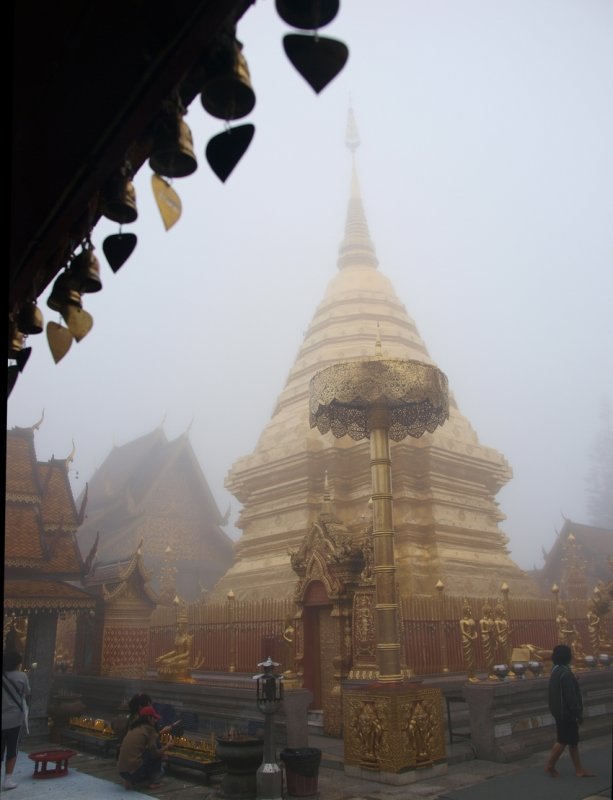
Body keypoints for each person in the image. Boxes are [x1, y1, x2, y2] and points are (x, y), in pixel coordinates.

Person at [544, 644, 594, 778]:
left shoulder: (556, 670)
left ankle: (579, 770)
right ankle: (550, 765)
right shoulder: (565, 673)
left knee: (572, 741)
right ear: (568, 657)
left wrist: (573, 679)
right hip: (567, 713)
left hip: (558, 710)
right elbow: (570, 697)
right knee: (563, 740)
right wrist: (577, 713)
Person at [117, 705, 173, 790]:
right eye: (154, 718)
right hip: (134, 772)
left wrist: (161, 732)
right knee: (155, 751)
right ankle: (154, 782)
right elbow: (155, 754)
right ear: (149, 718)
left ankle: (129, 780)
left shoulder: (134, 726)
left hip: (122, 771)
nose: (156, 720)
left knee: (145, 751)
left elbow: (150, 738)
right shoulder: (150, 729)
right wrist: (167, 747)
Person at [2, 651, 31, 791]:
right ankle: (8, 779)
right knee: (12, 748)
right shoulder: (21, 676)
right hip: (14, 718)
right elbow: (27, 692)